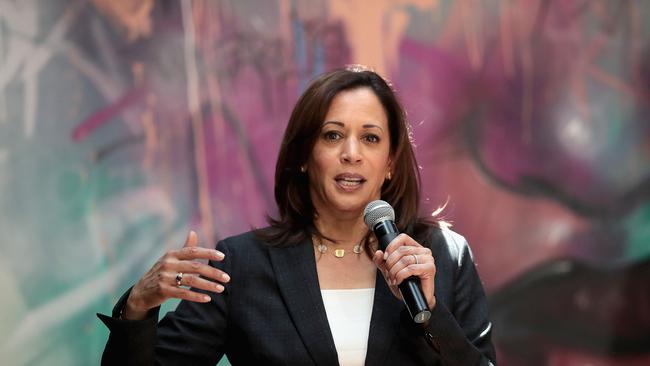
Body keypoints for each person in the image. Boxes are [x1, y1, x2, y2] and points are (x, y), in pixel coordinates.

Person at [98, 66, 497, 365]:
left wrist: (429, 312)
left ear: (390, 162)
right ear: (305, 156)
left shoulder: (444, 255)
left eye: (371, 138)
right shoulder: (244, 265)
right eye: (333, 135)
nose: (352, 153)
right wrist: (138, 307)